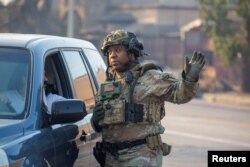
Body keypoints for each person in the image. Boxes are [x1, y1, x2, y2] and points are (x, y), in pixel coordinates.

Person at [91, 29, 205, 167]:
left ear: (132, 53)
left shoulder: (151, 77)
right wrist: (95, 121)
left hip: (141, 156)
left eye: (117, 50)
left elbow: (180, 94)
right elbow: (100, 125)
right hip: (112, 158)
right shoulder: (107, 86)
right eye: (109, 52)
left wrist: (190, 79)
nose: (112, 56)